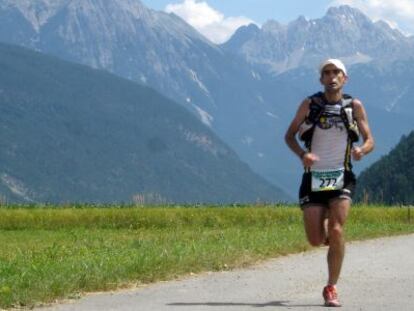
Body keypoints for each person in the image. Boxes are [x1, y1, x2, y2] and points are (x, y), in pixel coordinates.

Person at [284, 58, 374, 307]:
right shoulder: (309, 105)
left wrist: (362, 151)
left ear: (345, 78)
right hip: (313, 177)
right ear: (321, 79)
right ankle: (326, 227)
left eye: (337, 72)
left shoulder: (353, 106)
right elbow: (289, 136)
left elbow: (370, 139)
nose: (332, 76)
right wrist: (303, 155)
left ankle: (331, 286)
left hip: (342, 175)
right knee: (315, 240)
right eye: (327, 73)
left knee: (336, 230)